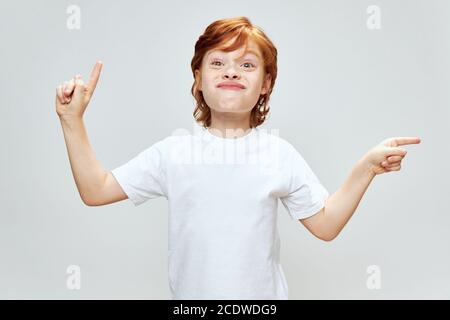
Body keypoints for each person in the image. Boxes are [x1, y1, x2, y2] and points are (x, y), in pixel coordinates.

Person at [55, 16, 421, 300]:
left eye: (247, 64)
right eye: (217, 62)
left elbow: (325, 225)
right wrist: (72, 122)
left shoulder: (279, 155)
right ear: (198, 78)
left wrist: (366, 169)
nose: (231, 70)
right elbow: (96, 189)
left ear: (265, 84)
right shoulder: (173, 153)